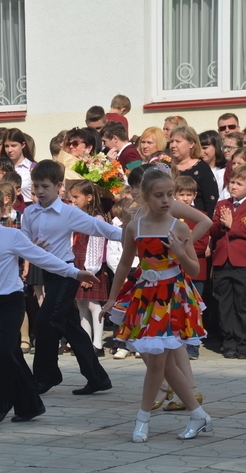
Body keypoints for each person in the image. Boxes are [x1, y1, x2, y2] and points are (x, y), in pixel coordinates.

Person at [0, 186, 99, 423]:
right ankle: (30, 406)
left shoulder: (12, 236)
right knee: (11, 354)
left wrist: (75, 273)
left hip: (13, 301)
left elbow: (42, 258)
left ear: (3, 211)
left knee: (4, 353)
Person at [102, 168, 212, 443]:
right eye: (159, 195)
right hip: (147, 295)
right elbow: (126, 264)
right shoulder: (134, 227)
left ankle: (142, 420)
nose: (166, 200)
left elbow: (194, 268)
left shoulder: (178, 226)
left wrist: (178, 251)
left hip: (173, 296)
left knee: (157, 363)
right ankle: (198, 414)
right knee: (161, 364)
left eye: (169, 195)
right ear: (145, 197)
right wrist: (113, 298)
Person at [21, 160, 119, 395]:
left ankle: (46, 376)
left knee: (45, 322)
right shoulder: (29, 212)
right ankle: (97, 378)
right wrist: (32, 247)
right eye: (36, 186)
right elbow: (22, 242)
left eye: (45, 186)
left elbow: (101, 228)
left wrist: (134, 236)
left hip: (65, 274)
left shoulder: (68, 212)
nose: (40, 191)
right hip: (46, 272)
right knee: (72, 328)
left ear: (59, 186)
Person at [210, 163, 246, 360]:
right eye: (232, 182)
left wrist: (232, 225)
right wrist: (220, 225)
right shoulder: (222, 204)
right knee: (225, 305)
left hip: (244, 263)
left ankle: (244, 344)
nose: (233, 186)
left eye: (239, 183)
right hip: (222, 261)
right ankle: (229, 343)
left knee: (245, 305)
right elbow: (214, 231)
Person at [69, 180, 110, 356]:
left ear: (89, 197)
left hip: (89, 265)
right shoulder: (75, 217)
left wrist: (90, 271)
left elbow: (96, 245)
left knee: (94, 304)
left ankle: (98, 344)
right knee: (81, 304)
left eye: (76, 197)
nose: (73, 201)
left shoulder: (96, 219)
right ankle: (85, 342)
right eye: (71, 198)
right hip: (77, 263)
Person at [173, 176, 210, 361]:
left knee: (194, 310)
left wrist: (181, 248)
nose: (186, 198)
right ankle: (177, 344)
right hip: (175, 271)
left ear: (195, 195)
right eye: (182, 194)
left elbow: (201, 244)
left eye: (189, 194)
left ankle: (193, 347)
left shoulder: (198, 216)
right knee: (178, 310)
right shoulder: (170, 216)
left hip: (196, 271)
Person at [169, 125, 219, 217]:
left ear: (191, 144)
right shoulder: (166, 166)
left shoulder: (201, 168)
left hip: (195, 222)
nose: (173, 145)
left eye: (178, 141)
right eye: (171, 141)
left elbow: (211, 201)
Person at [0, 128, 34, 203]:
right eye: (6, 146)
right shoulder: (0, 167)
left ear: (23, 145)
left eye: (13, 145)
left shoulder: (32, 167)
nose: (9, 150)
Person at [199, 130, 228, 194]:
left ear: (216, 147)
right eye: (199, 149)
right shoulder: (196, 171)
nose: (201, 152)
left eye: (204, 148)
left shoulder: (226, 171)